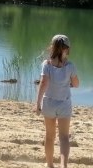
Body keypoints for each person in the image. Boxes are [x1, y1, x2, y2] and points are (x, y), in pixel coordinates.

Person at [34, 34, 79, 168]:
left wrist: (37, 104)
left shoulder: (46, 64)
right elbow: (76, 84)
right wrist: (68, 82)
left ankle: (49, 165)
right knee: (64, 137)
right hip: (64, 104)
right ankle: (63, 165)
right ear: (67, 49)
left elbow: (43, 83)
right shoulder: (70, 66)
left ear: (52, 47)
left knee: (49, 136)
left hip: (49, 103)